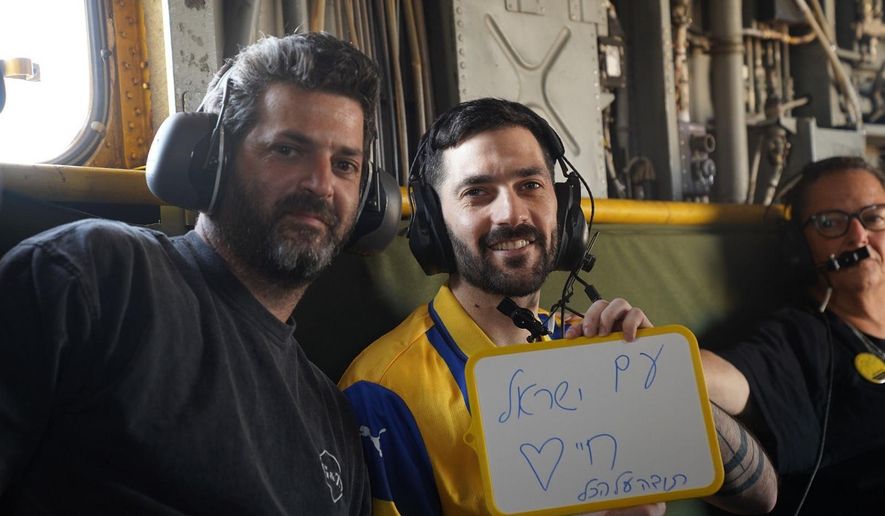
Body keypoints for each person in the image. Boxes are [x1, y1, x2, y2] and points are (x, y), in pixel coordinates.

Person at [340, 98, 776, 515]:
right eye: (477, 192)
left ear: (563, 208)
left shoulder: (590, 342)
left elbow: (761, 496)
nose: (511, 213)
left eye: (530, 185)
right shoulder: (383, 390)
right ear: (433, 224)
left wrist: (657, 374)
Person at [0, 32, 377, 514]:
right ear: (211, 161)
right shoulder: (97, 275)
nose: (321, 184)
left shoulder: (332, 417)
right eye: (287, 150)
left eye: (344, 164)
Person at [702, 156, 885, 514]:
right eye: (830, 223)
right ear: (800, 248)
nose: (858, 236)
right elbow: (730, 378)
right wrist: (650, 357)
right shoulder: (799, 337)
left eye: (874, 217)